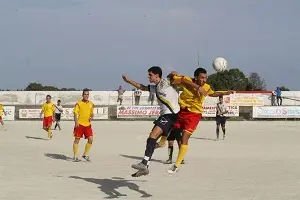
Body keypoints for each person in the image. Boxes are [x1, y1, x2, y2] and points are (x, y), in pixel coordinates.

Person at [122, 66, 206, 177]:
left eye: (150, 75)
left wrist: (197, 86)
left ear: (157, 75)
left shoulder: (167, 81)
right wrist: (129, 81)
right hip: (165, 116)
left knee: (155, 135)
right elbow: (142, 87)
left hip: (172, 116)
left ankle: (145, 163)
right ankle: (145, 166)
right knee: (151, 138)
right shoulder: (155, 87)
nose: (148, 77)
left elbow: (182, 80)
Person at [155, 68, 234, 174]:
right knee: (169, 127)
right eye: (202, 78)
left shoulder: (206, 87)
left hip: (194, 115)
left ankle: (177, 165)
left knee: (184, 137)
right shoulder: (187, 80)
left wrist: (226, 93)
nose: (204, 80)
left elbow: (213, 93)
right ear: (196, 77)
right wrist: (172, 73)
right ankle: (161, 142)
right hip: (182, 111)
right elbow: (173, 78)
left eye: (206, 77)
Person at [73, 88, 94, 162]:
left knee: (91, 139)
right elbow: (75, 113)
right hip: (80, 124)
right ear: (82, 95)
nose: (86, 95)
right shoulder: (78, 103)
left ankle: (85, 154)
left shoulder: (91, 104)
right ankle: (75, 156)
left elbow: (91, 113)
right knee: (77, 140)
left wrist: (92, 116)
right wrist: (76, 122)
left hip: (88, 125)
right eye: (85, 94)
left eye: (87, 94)